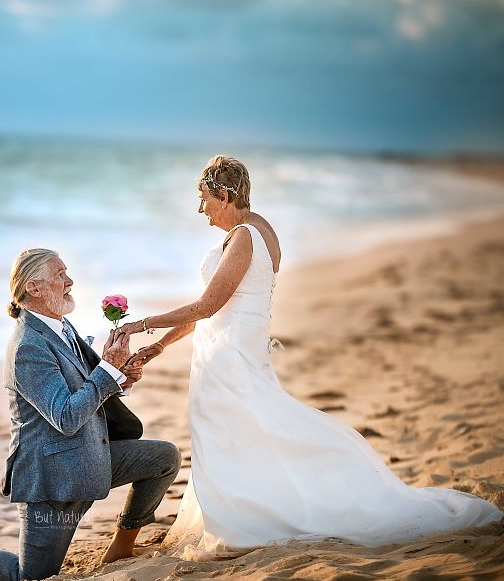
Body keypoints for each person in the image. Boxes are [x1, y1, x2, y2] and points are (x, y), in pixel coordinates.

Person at [116, 155, 502, 557]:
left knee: (239, 434)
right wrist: (161, 346)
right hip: (231, 351)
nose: (201, 210)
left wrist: (140, 324)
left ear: (226, 196)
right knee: (246, 435)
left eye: (205, 200)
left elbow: (209, 305)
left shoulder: (246, 236)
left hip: (229, 360)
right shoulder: (260, 229)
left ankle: (247, 519)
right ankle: (243, 509)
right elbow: (215, 307)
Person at [0, 248, 182, 580]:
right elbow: (66, 417)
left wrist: (123, 377)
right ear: (34, 288)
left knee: (163, 457)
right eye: (59, 274)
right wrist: (108, 372)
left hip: (93, 458)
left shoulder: (60, 325)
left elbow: (92, 384)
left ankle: (121, 547)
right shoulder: (28, 347)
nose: (70, 281)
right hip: (53, 479)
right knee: (32, 578)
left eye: (67, 273)